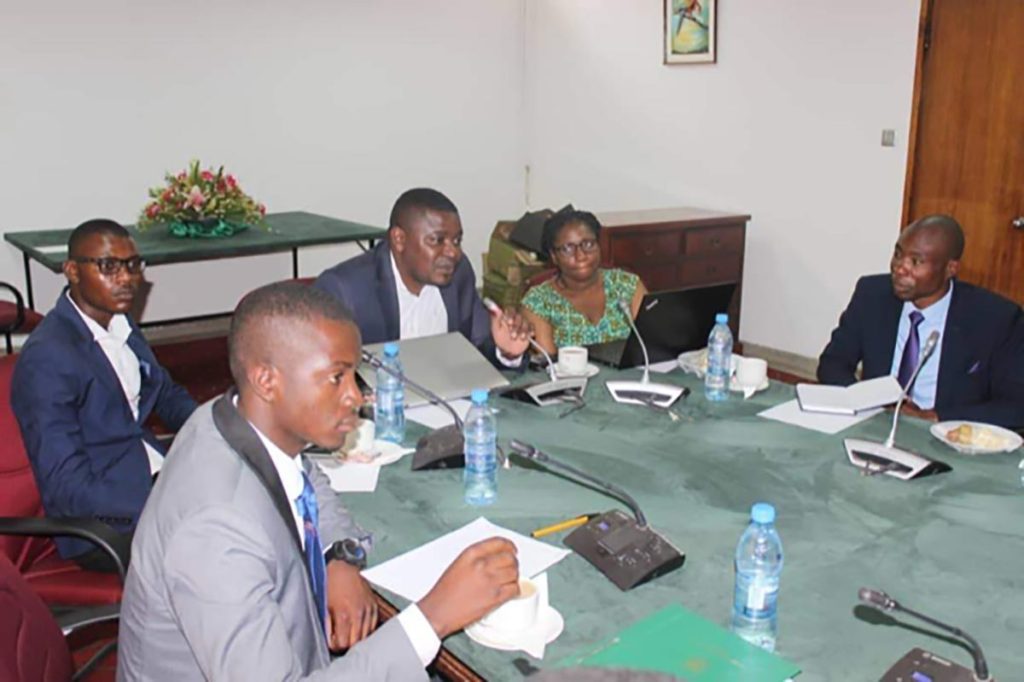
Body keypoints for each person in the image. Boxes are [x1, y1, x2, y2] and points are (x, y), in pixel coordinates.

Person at [117, 282, 520, 680]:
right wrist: (434, 616)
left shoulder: (230, 417)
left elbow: (307, 477)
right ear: (266, 380)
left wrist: (339, 556)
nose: (356, 397)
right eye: (336, 377)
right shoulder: (216, 529)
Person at [11, 219, 197, 571]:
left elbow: (165, 393)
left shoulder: (119, 324)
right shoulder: (50, 357)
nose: (126, 278)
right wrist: (159, 501)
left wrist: (221, 426)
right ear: (72, 271)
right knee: (228, 543)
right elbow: (67, 486)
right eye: (109, 267)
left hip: (147, 477)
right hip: (105, 525)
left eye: (132, 265)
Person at [818, 214, 1024, 429]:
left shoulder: (995, 318)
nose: (900, 268)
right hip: (875, 424)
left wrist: (936, 417)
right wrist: (865, 403)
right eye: (898, 255)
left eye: (916, 261)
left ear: (950, 269)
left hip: (945, 436)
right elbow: (833, 362)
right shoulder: (872, 295)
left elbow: (1017, 405)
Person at [314, 187, 532, 367]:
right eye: (437, 240)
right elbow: (324, 373)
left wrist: (507, 352)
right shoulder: (345, 289)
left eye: (456, 241)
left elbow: (479, 346)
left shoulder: (458, 273)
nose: (452, 252)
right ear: (399, 239)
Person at [521, 210, 647, 356]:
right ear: (554, 256)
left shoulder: (627, 285)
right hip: (570, 378)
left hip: (631, 377)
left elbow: (652, 345)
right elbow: (548, 364)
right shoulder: (538, 302)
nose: (581, 255)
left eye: (587, 244)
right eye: (568, 248)